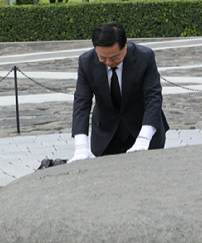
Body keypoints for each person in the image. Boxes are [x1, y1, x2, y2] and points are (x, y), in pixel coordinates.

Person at [70, 21, 168, 162]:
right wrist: (81, 145)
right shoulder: (86, 62)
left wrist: (144, 137)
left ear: (125, 44)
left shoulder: (144, 57)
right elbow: (81, 101)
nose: (109, 62)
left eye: (115, 57)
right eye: (102, 57)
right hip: (105, 134)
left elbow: (153, 97)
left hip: (142, 129)